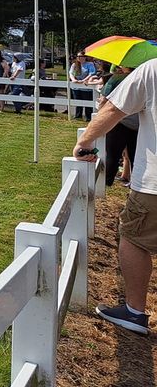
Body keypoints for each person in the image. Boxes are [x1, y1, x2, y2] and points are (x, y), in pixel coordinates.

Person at [75, 59, 157, 335]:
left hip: (153, 185)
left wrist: (84, 142)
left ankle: (134, 311)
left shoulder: (152, 69)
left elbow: (113, 108)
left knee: (133, 238)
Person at [69, 51, 97, 122]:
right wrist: (73, 80)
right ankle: (78, 115)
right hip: (76, 86)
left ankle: (88, 117)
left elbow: (91, 73)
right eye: (78, 56)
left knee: (87, 102)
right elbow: (71, 73)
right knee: (78, 102)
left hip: (86, 87)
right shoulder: (74, 65)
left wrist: (84, 80)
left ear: (85, 57)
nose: (79, 58)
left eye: (81, 56)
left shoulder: (90, 64)